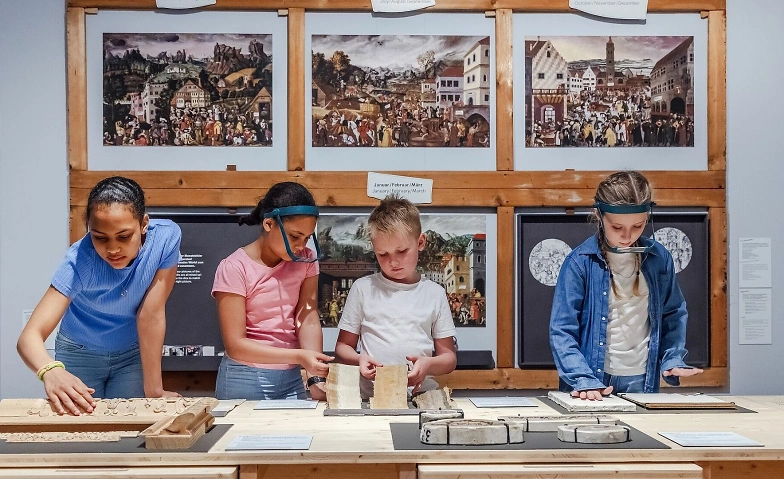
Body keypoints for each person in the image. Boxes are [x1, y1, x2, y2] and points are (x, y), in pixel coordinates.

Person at [17, 176, 182, 415]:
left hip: (131, 353)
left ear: (144, 223)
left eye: (124, 236)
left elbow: (151, 313)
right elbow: (29, 336)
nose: (113, 249)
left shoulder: (166, 238)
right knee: (80, 436)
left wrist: (155, 389)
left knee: (130, 434)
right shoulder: (78, 262)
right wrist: (50, 371)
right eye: (100, 237)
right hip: (79, 353)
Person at [550, 171, 703, 400]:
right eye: (617, 227)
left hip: (643, 377)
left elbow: (673, 314)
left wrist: (672, 358)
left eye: (638, 226)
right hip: (592, 380)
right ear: (599, 216)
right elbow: (562, 329)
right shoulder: (579, 262)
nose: (627, 236)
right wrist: (582, 377)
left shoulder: (660, 258)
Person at [212, 182, 332, 401]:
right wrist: (299, 356)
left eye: (306, 237)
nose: (301, 245)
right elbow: (236, 344)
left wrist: (315, 377)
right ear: (269, 224)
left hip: (292, 378)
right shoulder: (234, 267)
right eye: (295, 236)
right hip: (244, 378)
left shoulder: (305, 261)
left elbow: (308, 317)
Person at [335, 196, 457, 399]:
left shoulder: (434, 293)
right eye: (383, 254)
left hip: (421, 397)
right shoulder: (362, 288)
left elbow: (449, 359)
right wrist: (359, 359)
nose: (393, 261)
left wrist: (428, 364)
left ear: (420, 242)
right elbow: (342, 348)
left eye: (401, 251)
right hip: (371, 397)